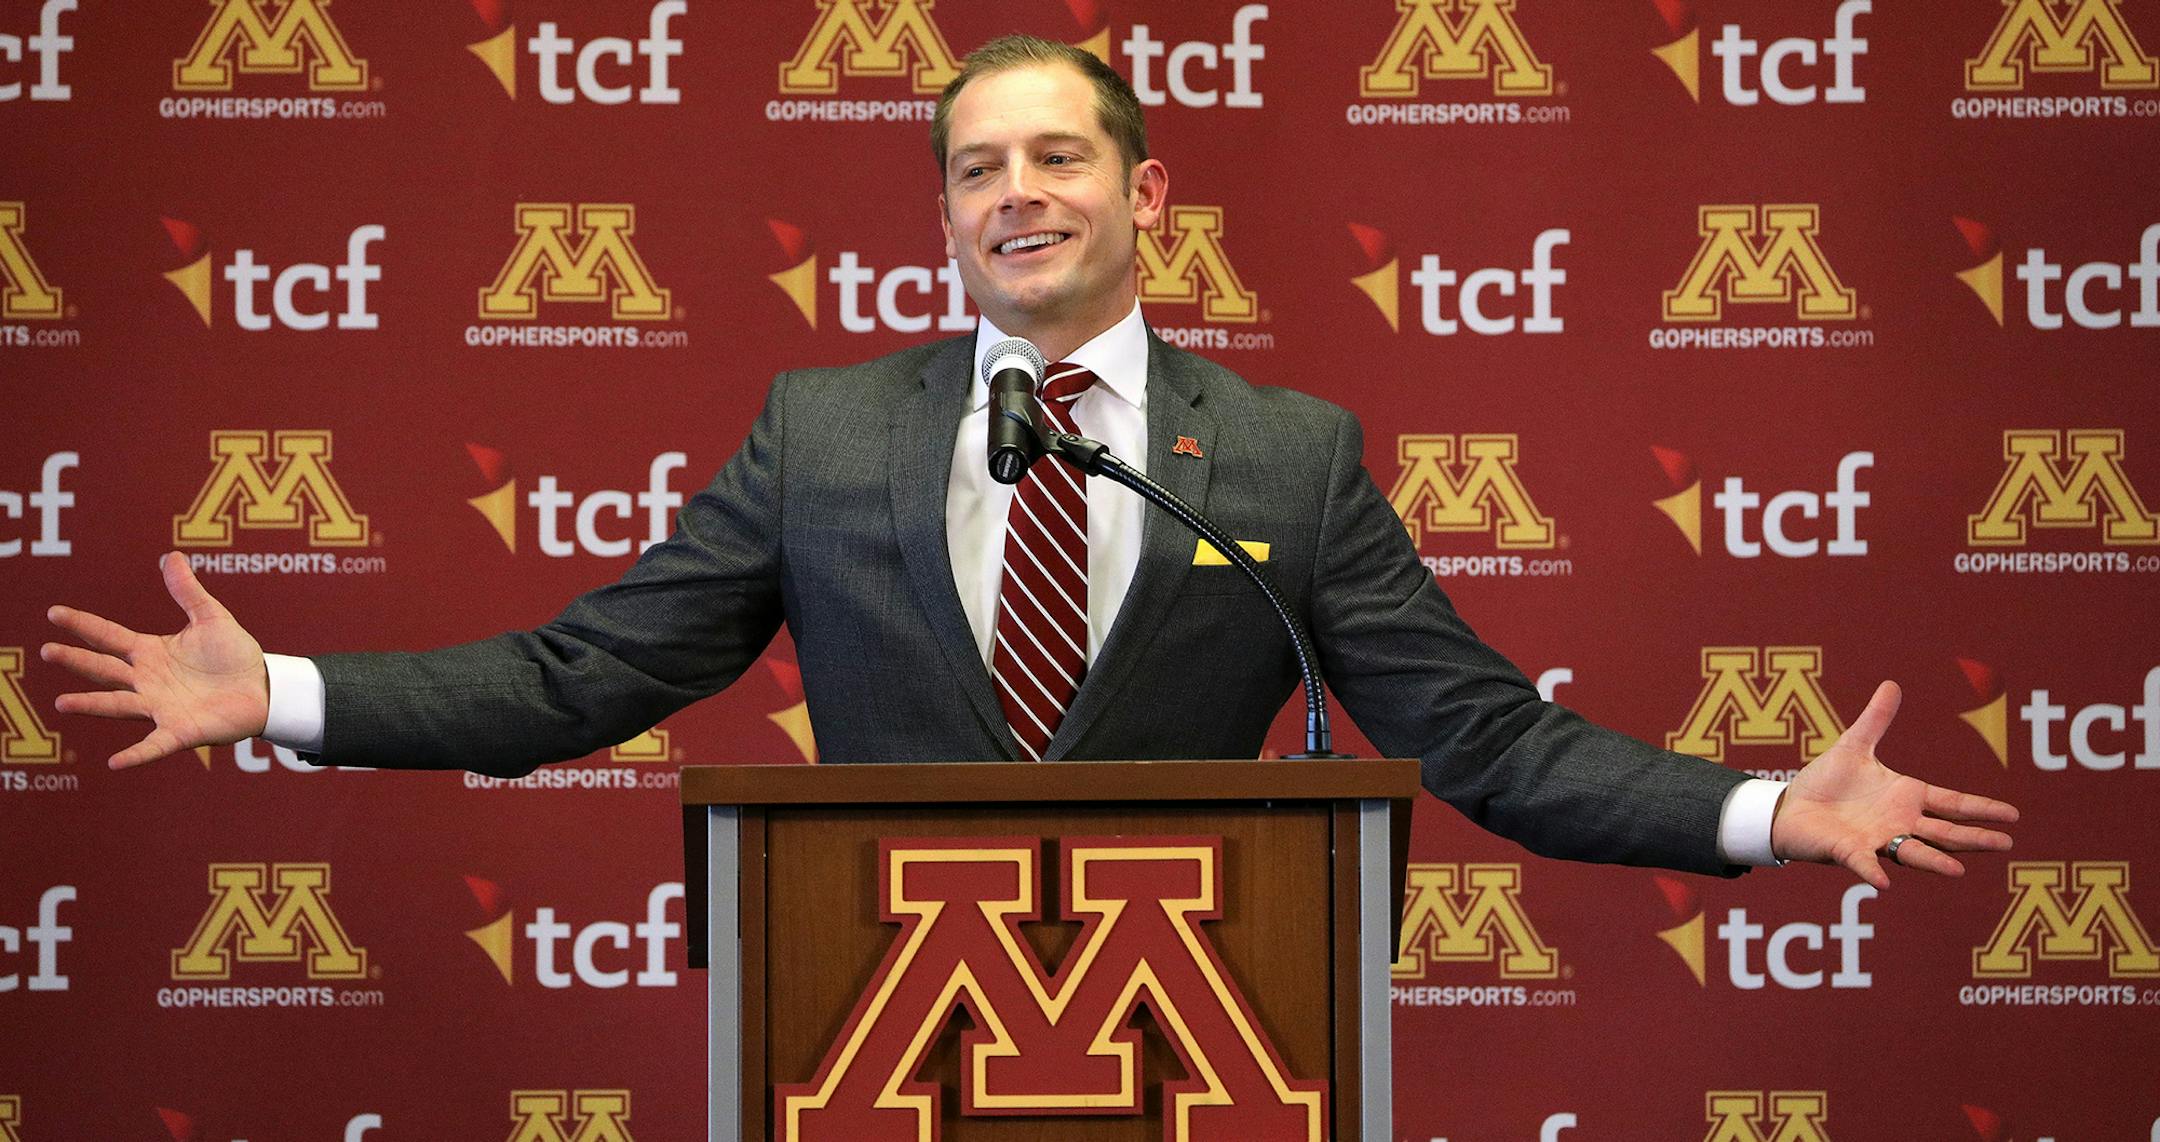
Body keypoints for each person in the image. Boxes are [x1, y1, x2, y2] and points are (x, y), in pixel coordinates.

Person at [42, 36, 2013, 888]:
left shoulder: (1289, 458)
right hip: (873, 1023)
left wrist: (1758, 815)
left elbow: (1483, 740)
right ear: (943, 219)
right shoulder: (822, 435)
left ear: (1145, 189)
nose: (1014, 195)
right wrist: (281, 693)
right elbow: (586, 676)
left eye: (1055, 155)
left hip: (1198, 1025)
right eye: (975, 168)